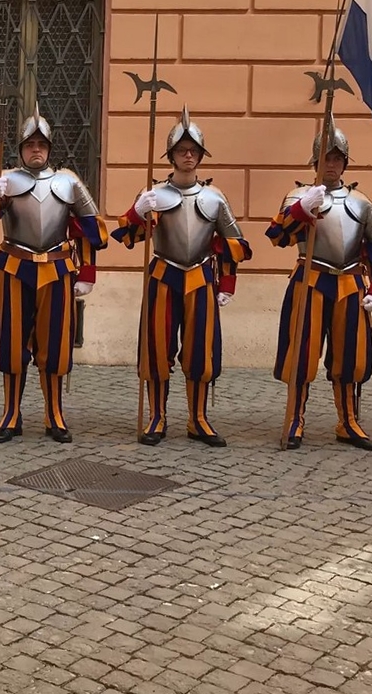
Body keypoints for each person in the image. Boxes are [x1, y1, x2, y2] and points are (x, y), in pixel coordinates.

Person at [0, 104, 108, 444]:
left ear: (49, 148)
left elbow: (92, 231)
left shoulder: (69, 182)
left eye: (41, 144)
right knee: (10, 344)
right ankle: (11, 412)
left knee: (55, 345)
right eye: (30, 144)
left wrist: (87, 273)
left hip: (57, 268)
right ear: (21, 149)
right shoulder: (6, 180)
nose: (36, 149)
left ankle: (54, 412)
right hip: (14, 266)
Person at [111, 107, 252, 447]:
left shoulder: (214, 198)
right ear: (171, 155)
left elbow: (232, 245)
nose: (188, 155)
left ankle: (198, 418)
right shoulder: (154, 194)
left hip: (201, 278)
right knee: (158, 349)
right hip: (163, 275)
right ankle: (157, 416)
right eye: (181, 150)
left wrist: (227, 285)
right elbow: (128, 236)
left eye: (193, 150)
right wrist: (138, 212)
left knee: (200, 351)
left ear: (201, 155)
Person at [266, 115, 372, 450]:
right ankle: (295, 419)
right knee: (301, 354)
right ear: (316, 161)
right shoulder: (298, 196)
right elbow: (278, 236)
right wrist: (301, 209)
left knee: (350, 358)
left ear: (345, 162)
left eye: (337, 158)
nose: (332, 163)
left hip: (350, 285)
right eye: (326, 157)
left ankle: (349, 421)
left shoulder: (361, 203)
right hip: (310, 281)